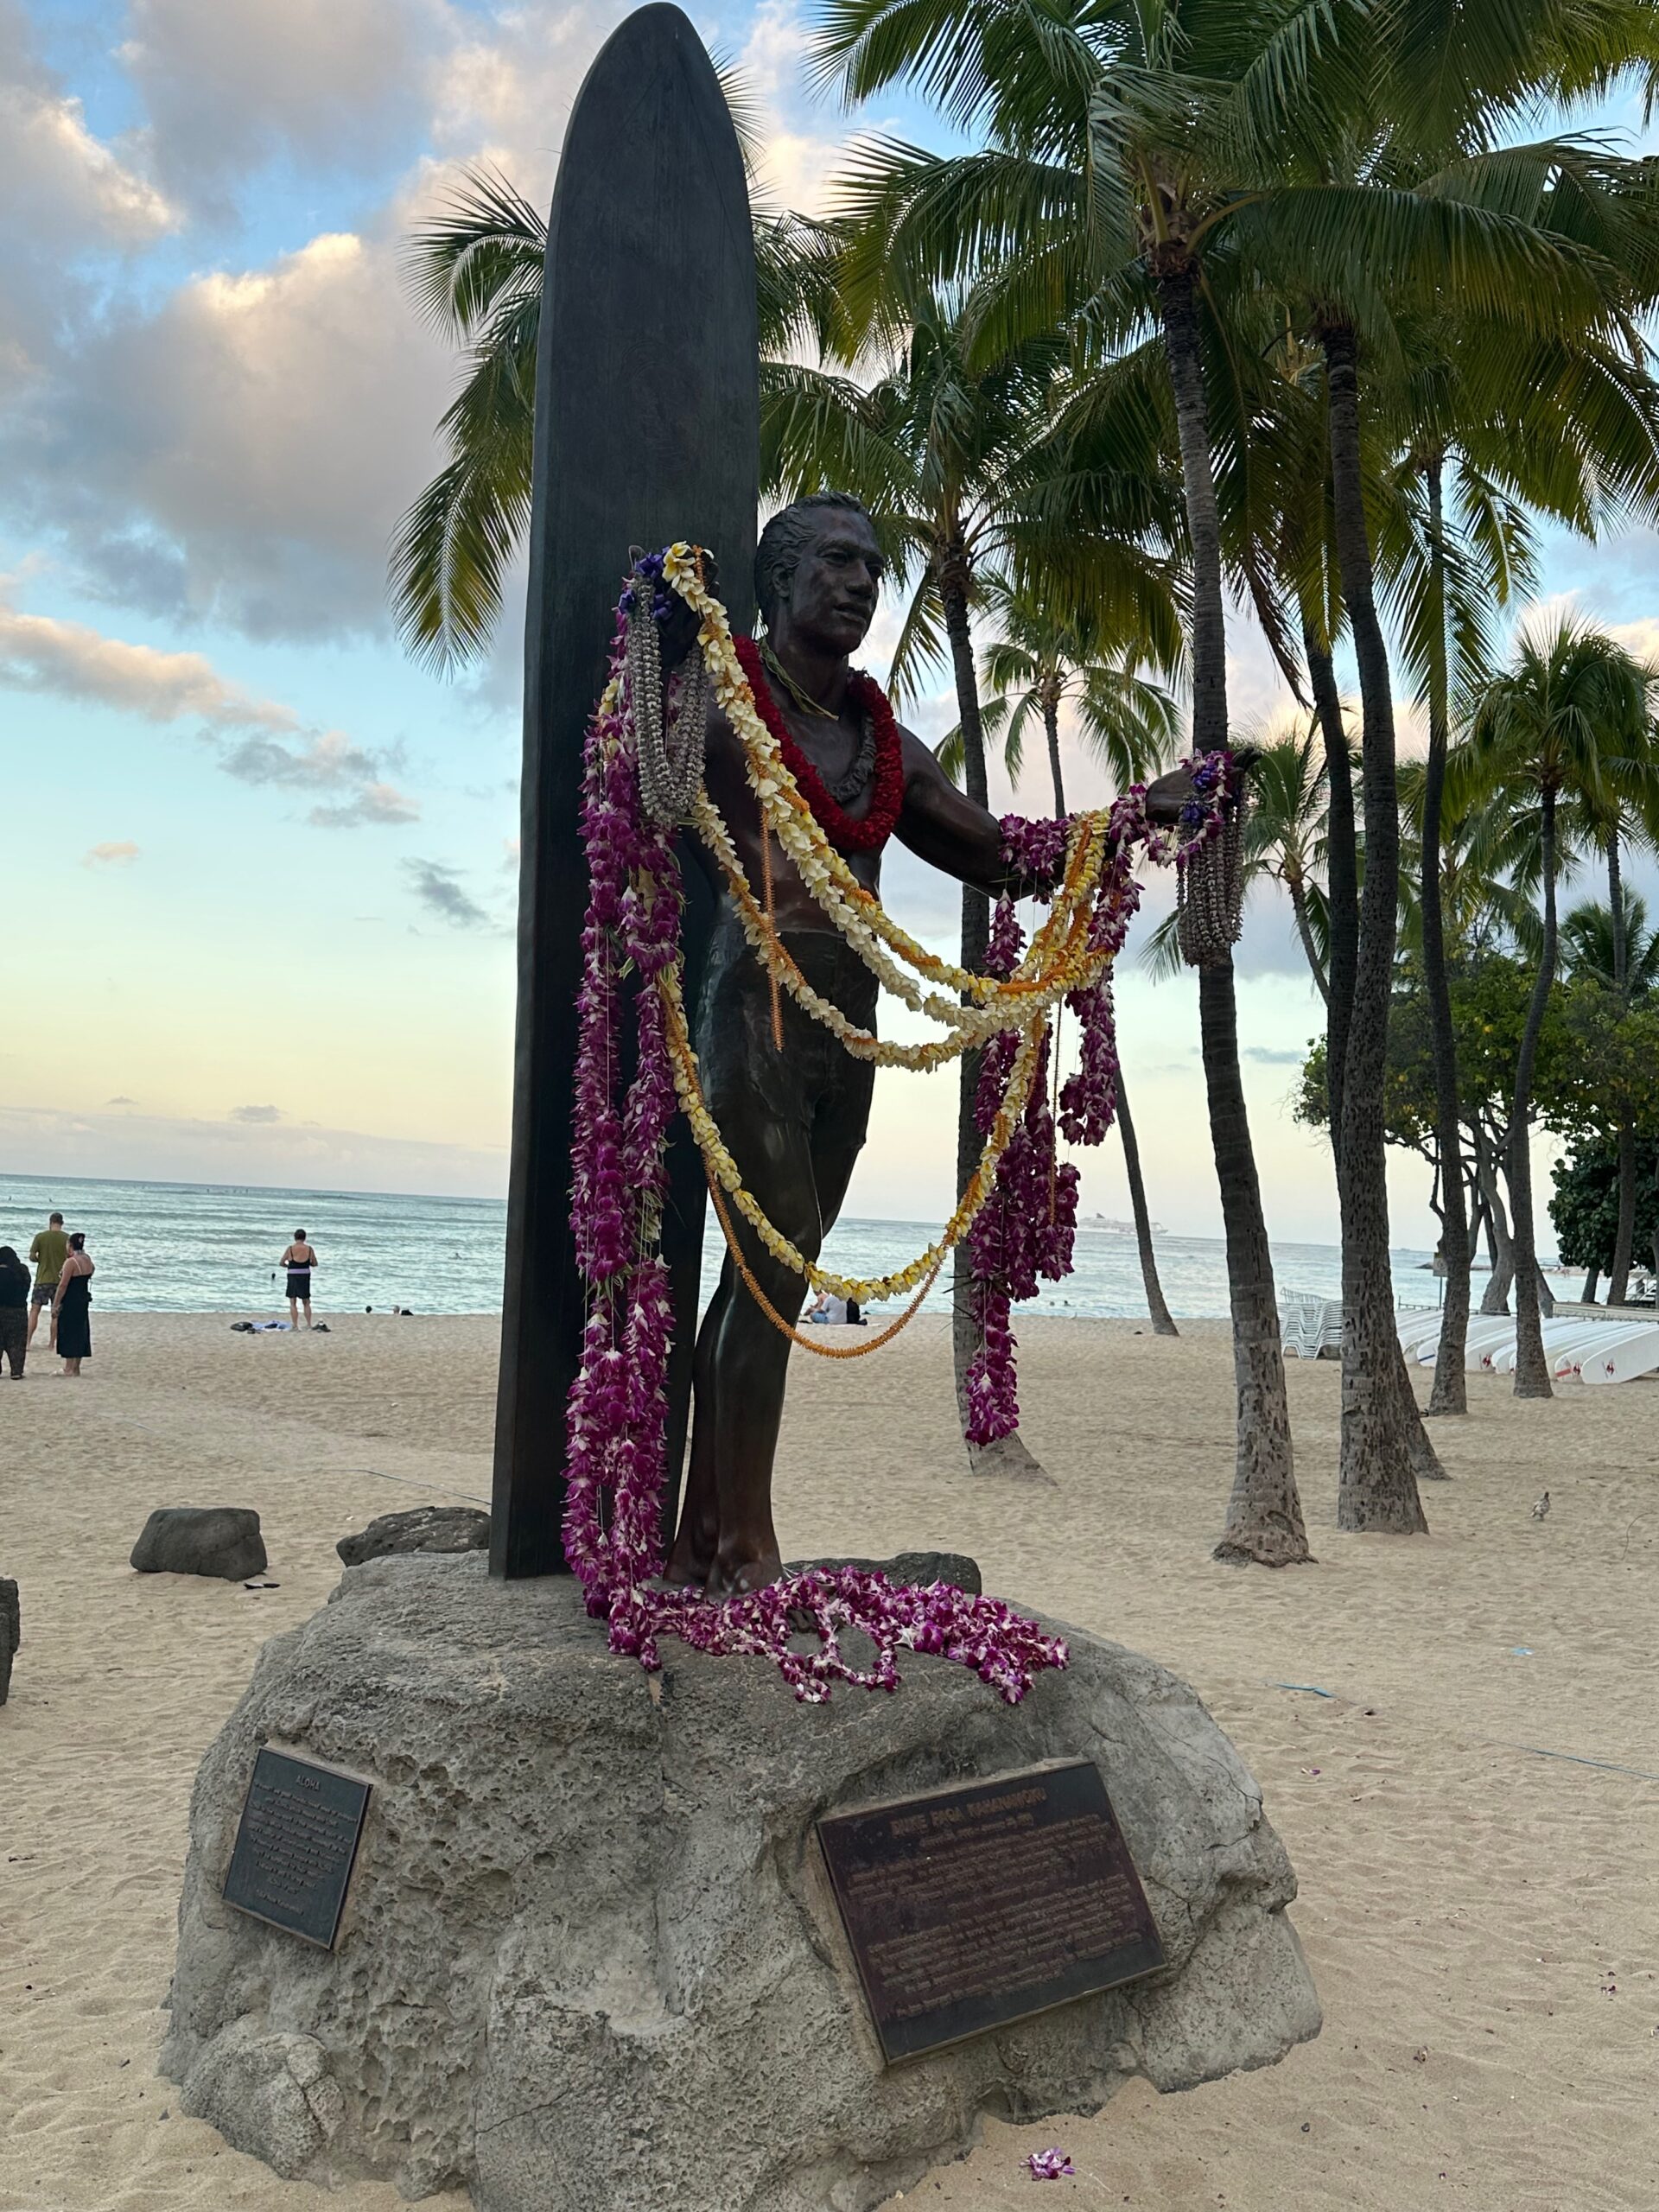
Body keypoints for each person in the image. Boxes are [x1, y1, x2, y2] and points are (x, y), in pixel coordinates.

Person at [658, 493, 1202, 1594]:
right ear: (780, 580)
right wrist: (651, 637)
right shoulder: (723, 704)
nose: (862, 584)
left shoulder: (882, 747)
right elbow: (651, 785)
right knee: (777, 1261)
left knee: (772, 1276)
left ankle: (701, 1534)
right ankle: (749, 1548)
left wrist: (1137, 815)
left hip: (852, 1029)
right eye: (838, 561)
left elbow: (1002, 853)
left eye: (873, 567)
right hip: (750, 1008)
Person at [27, 1210, 68, 1351]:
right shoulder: (67, 1239)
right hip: (59, 1281)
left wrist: (40, 1260)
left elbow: (32, 1256)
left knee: (34, 1311)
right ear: (62, 1223)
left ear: (50, 1223)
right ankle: (51, 1344)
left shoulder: (41, 1237)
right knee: (55, 1313)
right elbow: (70, 1258)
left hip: (42, 1279)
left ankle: (27, 1342)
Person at [54, 1233, 93, 1376]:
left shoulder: (71, 1262)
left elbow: (63, 1285)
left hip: (71, 1300)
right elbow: (92, 1270)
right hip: (82, 1299)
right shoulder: (87, 1259)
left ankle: (68, 1368)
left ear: (70, 1245)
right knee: (80, 1331)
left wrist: (55, 1304)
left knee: (69, 1332)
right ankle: (76, 1368)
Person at [0, 1247, 30, 1377]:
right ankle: (16, 1371)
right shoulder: (22, 1271)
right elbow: (26, 1288)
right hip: (18, 1311)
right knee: (17, 1343)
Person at [281, 1230, 319, 1329]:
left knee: (293, 1301)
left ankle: (295, 1325)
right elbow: (315, 1263)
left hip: (293, 1275)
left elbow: (281, 1262)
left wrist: (288, 1266)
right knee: (306, 1301)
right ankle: (309, 1324)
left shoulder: (290, 1249)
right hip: (305, 1276)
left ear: (295, 1237)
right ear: (305, 1238)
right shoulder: (309, 1249)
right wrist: (308, 1264)